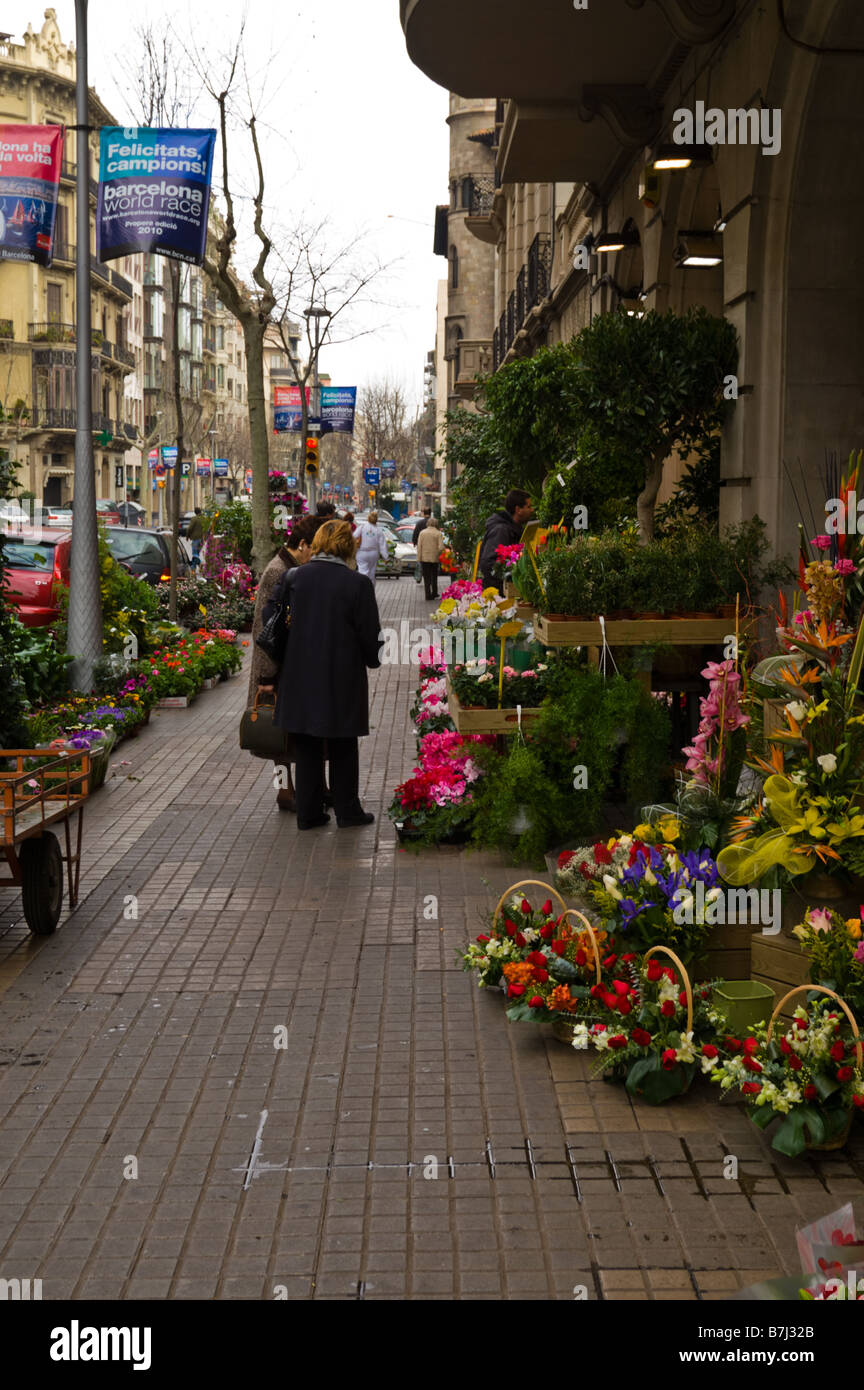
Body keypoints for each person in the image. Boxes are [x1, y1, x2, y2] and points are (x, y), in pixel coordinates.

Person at [266, 520, 382, 830]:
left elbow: (271, 622)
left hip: (299, 676)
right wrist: (373, 658)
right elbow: (370, 634)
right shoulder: (357, 584)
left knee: (306, 746)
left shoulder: (293, 578)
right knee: (343, 744)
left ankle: (309, 813)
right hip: (341, 676)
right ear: (348, 546)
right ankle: (347, 811)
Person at [248, 515, 318, 811]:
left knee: (287, 738)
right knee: (275, 741)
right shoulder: (278, 572)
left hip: (282, 666)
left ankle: (293, 790)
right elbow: (263, 628)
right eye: (313, 549)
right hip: (273, 668)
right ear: (301, 544)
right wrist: (266, 675)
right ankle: (283, 792)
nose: (315, 555)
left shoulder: (292, 569)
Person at [478, 489, 535, 591]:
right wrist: (506, 586)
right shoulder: (501, 530)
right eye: (529, 506)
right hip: (500, 595)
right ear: (518, 510)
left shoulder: (515, 529)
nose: (532, 510)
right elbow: (488, 564)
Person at [355, 510, 390, 583]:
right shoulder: (378, 530)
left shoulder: (362, 527)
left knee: (362, 571)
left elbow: (354, 536)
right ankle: (370, 589)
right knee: (371, 573)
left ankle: (362, 588)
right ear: (376, 520)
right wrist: (386, 557)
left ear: (368, 518)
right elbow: (383, 545)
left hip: (362, 553)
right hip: (373, 553)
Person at [416, 514, 443, 600]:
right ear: (436, 524)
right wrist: (437, 554)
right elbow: (441, 547)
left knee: (426, 577)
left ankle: (427, 594)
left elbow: (419, 546)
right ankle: (434, 593)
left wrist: (419, 558)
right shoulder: (438, 533)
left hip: (424, 558)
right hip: (434, 558)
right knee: (434, 576)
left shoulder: (422, 533)